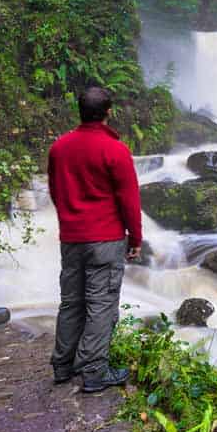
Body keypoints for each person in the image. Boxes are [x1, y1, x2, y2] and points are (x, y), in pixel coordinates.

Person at [47, 86, 142, 393]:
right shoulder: (115, 150)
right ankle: (94, 371)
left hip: (72, 238)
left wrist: (70, 219)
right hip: (105, 238)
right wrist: (135, 238)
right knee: (101, 304)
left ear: (79, 110)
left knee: (71, 302)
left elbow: (55, 191)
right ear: (108, 113)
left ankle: (62, 366)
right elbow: (129, 200)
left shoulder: (59, 148)